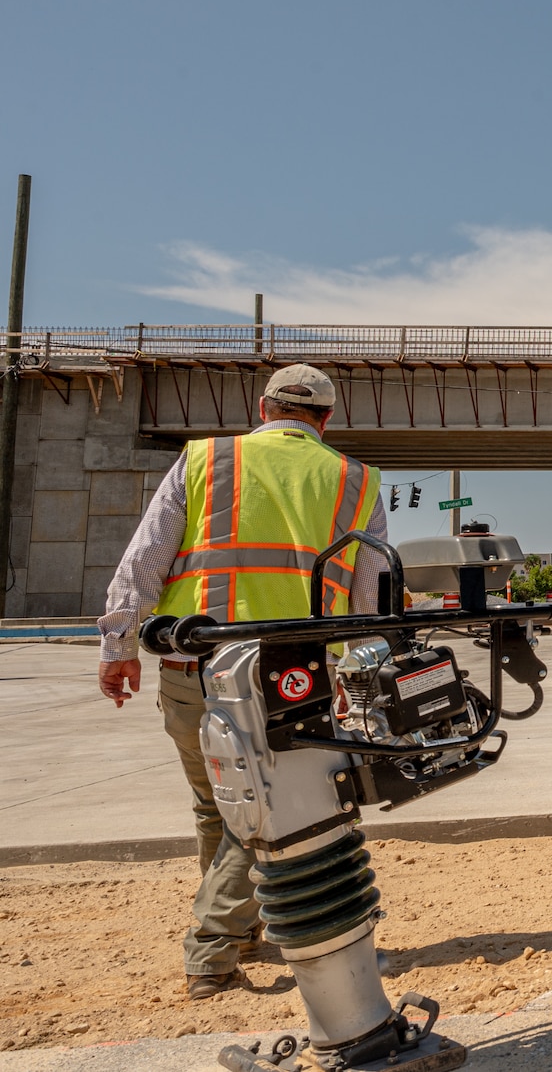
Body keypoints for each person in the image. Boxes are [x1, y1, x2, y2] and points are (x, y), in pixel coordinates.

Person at [97, 364, 388, 1000]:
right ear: (327, 420)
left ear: (263, 408)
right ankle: (212, 948)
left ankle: (243, 929)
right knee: (256, 815)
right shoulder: (357, 482)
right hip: (289, 678)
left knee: (216, 807)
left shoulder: (204, 461)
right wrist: (352, 676)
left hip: (192, 667)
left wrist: (120, 645)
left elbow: (144, 559)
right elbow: (367, 600)